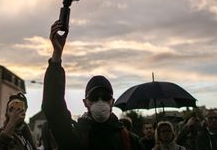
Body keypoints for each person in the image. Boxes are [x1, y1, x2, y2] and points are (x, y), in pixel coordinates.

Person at [42, 20, 144, 150]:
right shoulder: (74, 135)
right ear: (85, 102)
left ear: (112, 102)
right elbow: (53, 107)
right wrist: (57, 55)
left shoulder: (130, 141)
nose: (100, 102)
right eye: (94, 97)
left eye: (105, 97)